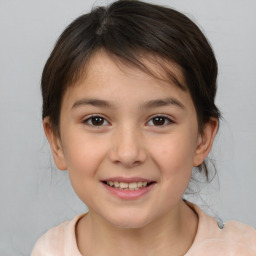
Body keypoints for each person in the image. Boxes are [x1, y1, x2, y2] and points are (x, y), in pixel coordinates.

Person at [31, 0, 256, 255]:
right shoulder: (47, 250)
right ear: (57, 141)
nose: (127, 154)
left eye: (159, 120)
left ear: (202, 139)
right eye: (96, 120)